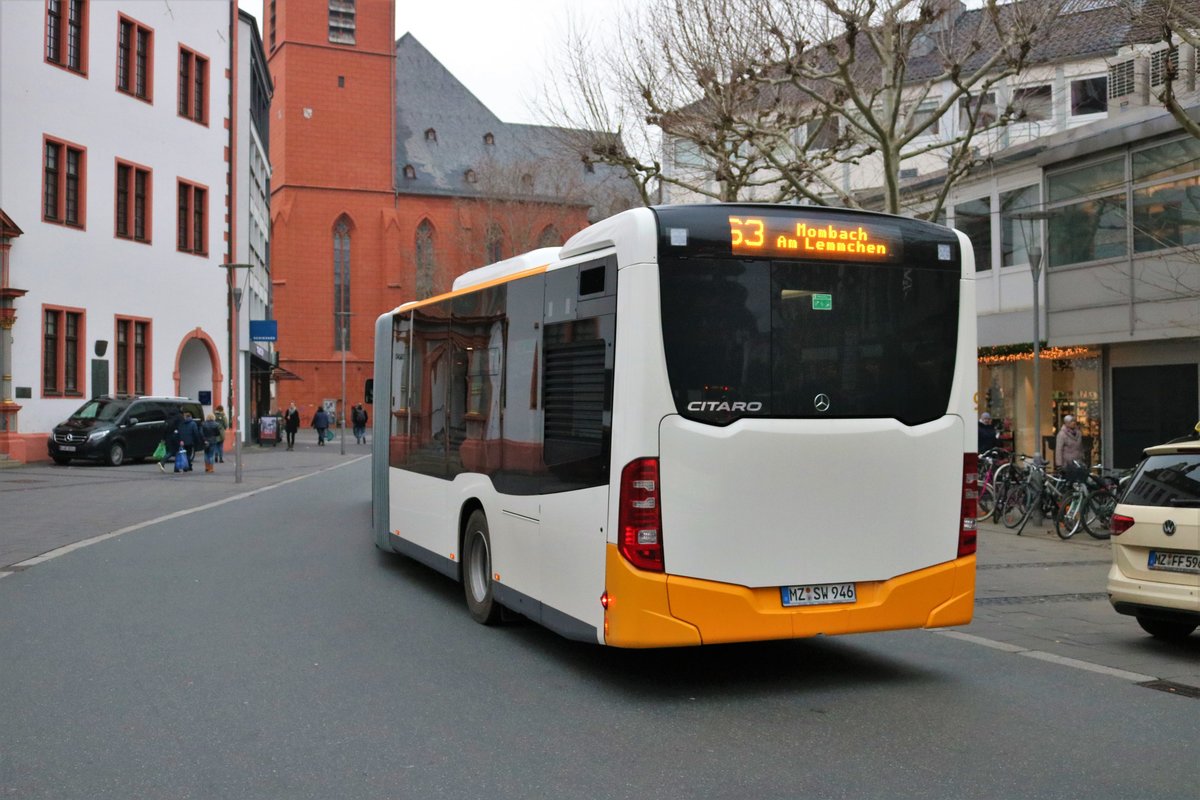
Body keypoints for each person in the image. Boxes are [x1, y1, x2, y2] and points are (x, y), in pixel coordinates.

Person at [1055, 414, 1087, 481]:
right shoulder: (1062, 434)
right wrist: (1059, 465)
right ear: (1067, 423)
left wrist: (1083, 457)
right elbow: (1059, 450)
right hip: (1068, 463)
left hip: (1078, 461)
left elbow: (1080, 447)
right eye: (1071, 421)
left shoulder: (1078, 433)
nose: (1074, 423)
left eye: (1074, 421)